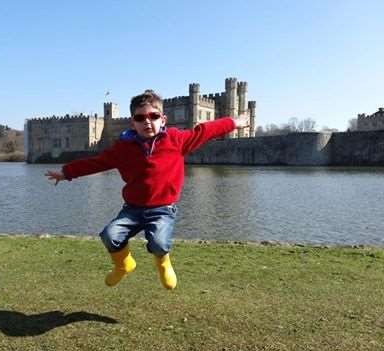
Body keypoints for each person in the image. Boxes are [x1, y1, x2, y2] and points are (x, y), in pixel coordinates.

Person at [45, 89, 249, 289]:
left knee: (159, 243)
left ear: (163, 119)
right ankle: (123, 264)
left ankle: (163, 265)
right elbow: (97, 163)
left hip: (163, 209)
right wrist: (66, 172)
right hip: (132, 209)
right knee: (110, 235)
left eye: (153, 116)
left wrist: (235, 122)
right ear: (133, 122)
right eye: (141, 118)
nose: (147, 121)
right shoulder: (123, 148)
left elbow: (205, 130)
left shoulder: (176, 140)